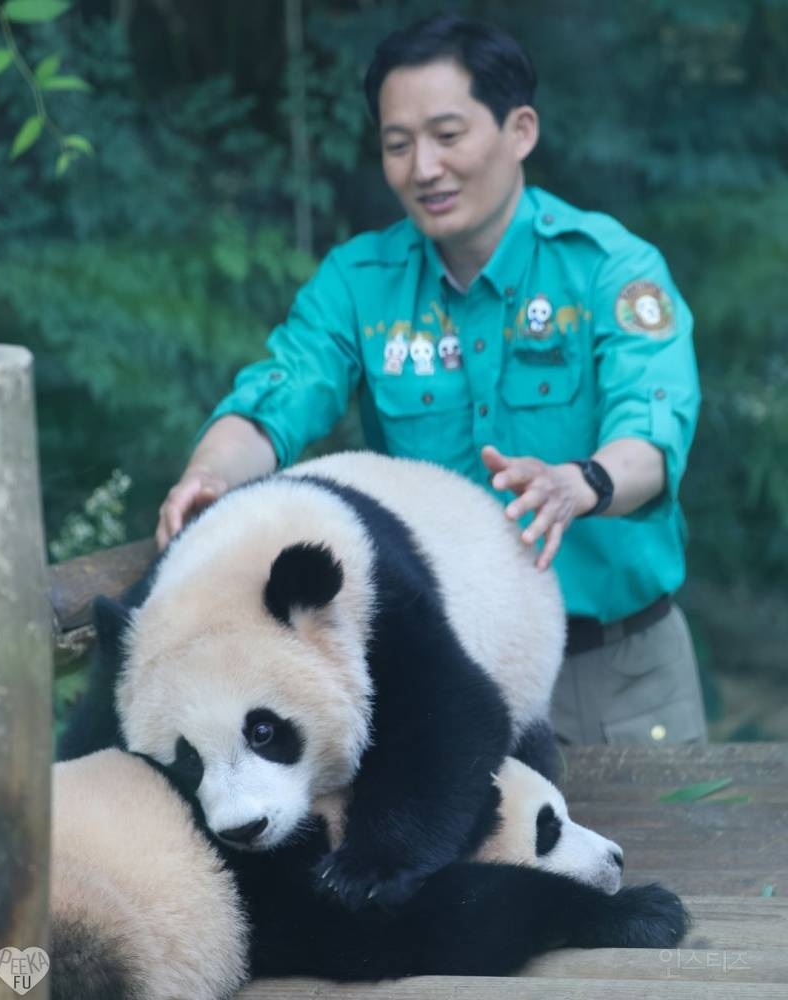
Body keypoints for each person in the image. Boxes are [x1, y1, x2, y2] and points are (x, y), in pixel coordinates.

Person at [156, 13, 706, 746]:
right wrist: (209, 478)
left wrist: (583, 483)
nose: (423, 168)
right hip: (438, 682)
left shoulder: (610, 268)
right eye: (397, 144)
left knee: (676, 858)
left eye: (448, 136)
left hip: (618, 677)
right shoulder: (359, 285)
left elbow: (654, 427)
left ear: (520, 131)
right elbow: (278, 399)